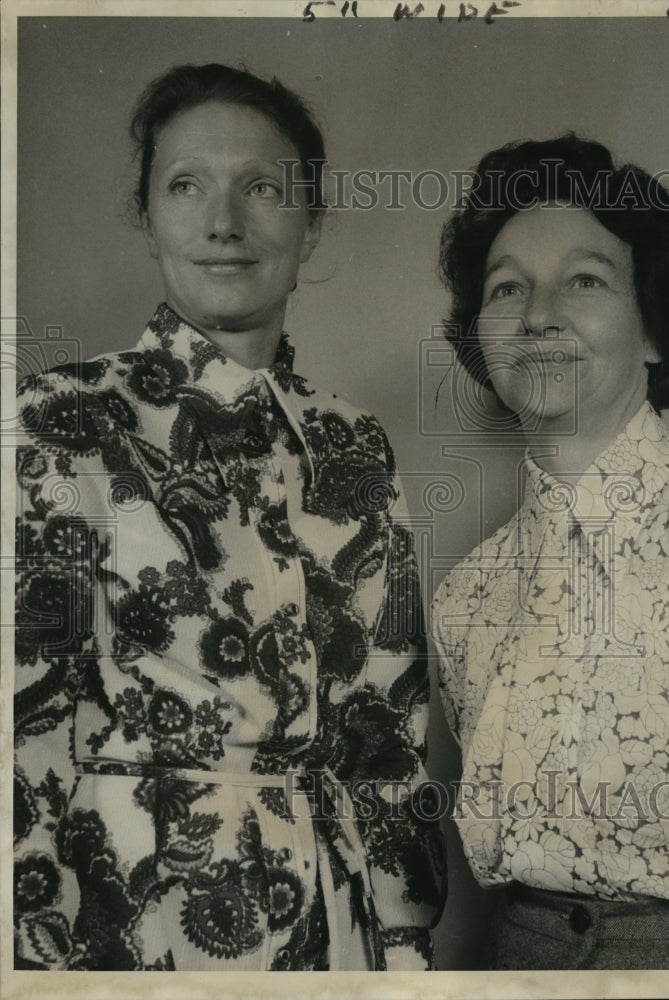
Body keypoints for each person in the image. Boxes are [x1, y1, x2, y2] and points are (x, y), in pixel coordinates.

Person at [14, 62, 445, 972]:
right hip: (132, 924)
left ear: (312, 221)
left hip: (334, 927)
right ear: (148, 216)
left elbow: (386, 728)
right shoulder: (62, 419)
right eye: (186, 185)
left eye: (262, 188)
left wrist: (405, 939)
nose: (224, 223)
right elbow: (23, 727)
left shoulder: (353, 445)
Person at [430, 134, 669, 970]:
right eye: (507, 289)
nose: (538, 315)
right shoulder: (465, 597)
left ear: (655, 330)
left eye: (584, 279)